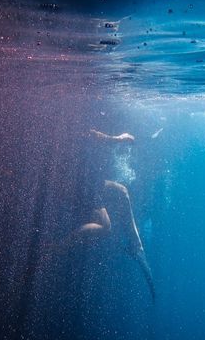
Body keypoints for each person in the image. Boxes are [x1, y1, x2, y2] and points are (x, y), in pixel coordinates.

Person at [55, 129, 155, 302]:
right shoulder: (81, 125)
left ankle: (136, 245)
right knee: (105, 227)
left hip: (89, 180)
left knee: (122, 191)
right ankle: (61, 246)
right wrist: (119, 138)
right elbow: (91, 134)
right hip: (80, 182)